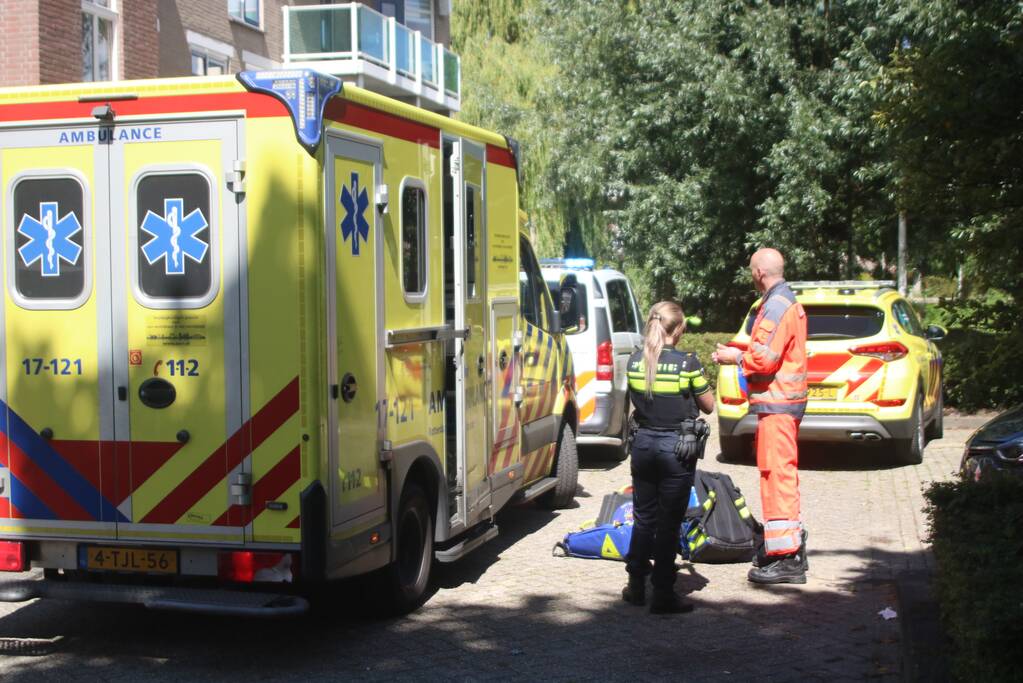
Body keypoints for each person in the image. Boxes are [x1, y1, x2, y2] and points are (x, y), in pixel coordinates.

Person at [712, 248, 809, 584]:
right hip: (781, 405)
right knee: (780, 474)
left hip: (777, 407)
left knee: (776, 475)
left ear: (758, 273)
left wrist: (733, 359)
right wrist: (739, 353)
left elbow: (764, 360)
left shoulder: (775, 306)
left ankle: (787, 559)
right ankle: (788, 545)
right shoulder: (783, 302)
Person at [623, 301, 714, 613]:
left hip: (643, 446)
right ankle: (662, 593)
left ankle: (635, 586)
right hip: (676, 449)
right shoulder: (687, 363)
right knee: (669, 522)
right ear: (678, 329)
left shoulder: (635, 361)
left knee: (644, 518)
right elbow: (708, 405)